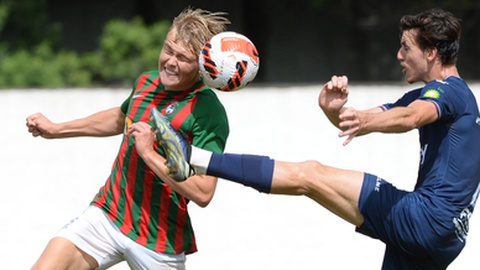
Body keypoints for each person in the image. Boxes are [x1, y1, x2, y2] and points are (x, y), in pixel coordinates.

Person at [151, 8, 480, 269]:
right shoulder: (433, 95)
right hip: (445, 237)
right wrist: (334, 110)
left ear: (433, 53)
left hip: (425, 218)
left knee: (308, 174)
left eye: (406, 48)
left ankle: (192, 156)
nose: (398, 55)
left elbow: (411, 118)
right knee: (309, 177)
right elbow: (360, 120)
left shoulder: (449, 92)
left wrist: (366, 121)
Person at [26, 8, 230, 270]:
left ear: (201, 65)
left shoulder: (208, 112)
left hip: (159, 240)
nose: (170, 62)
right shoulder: (146, 82)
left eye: (183, 58)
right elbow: (120, 118)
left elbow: (203, 192)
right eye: (168, 50)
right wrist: (57, 129)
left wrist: (149, 154)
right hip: (109, 213)